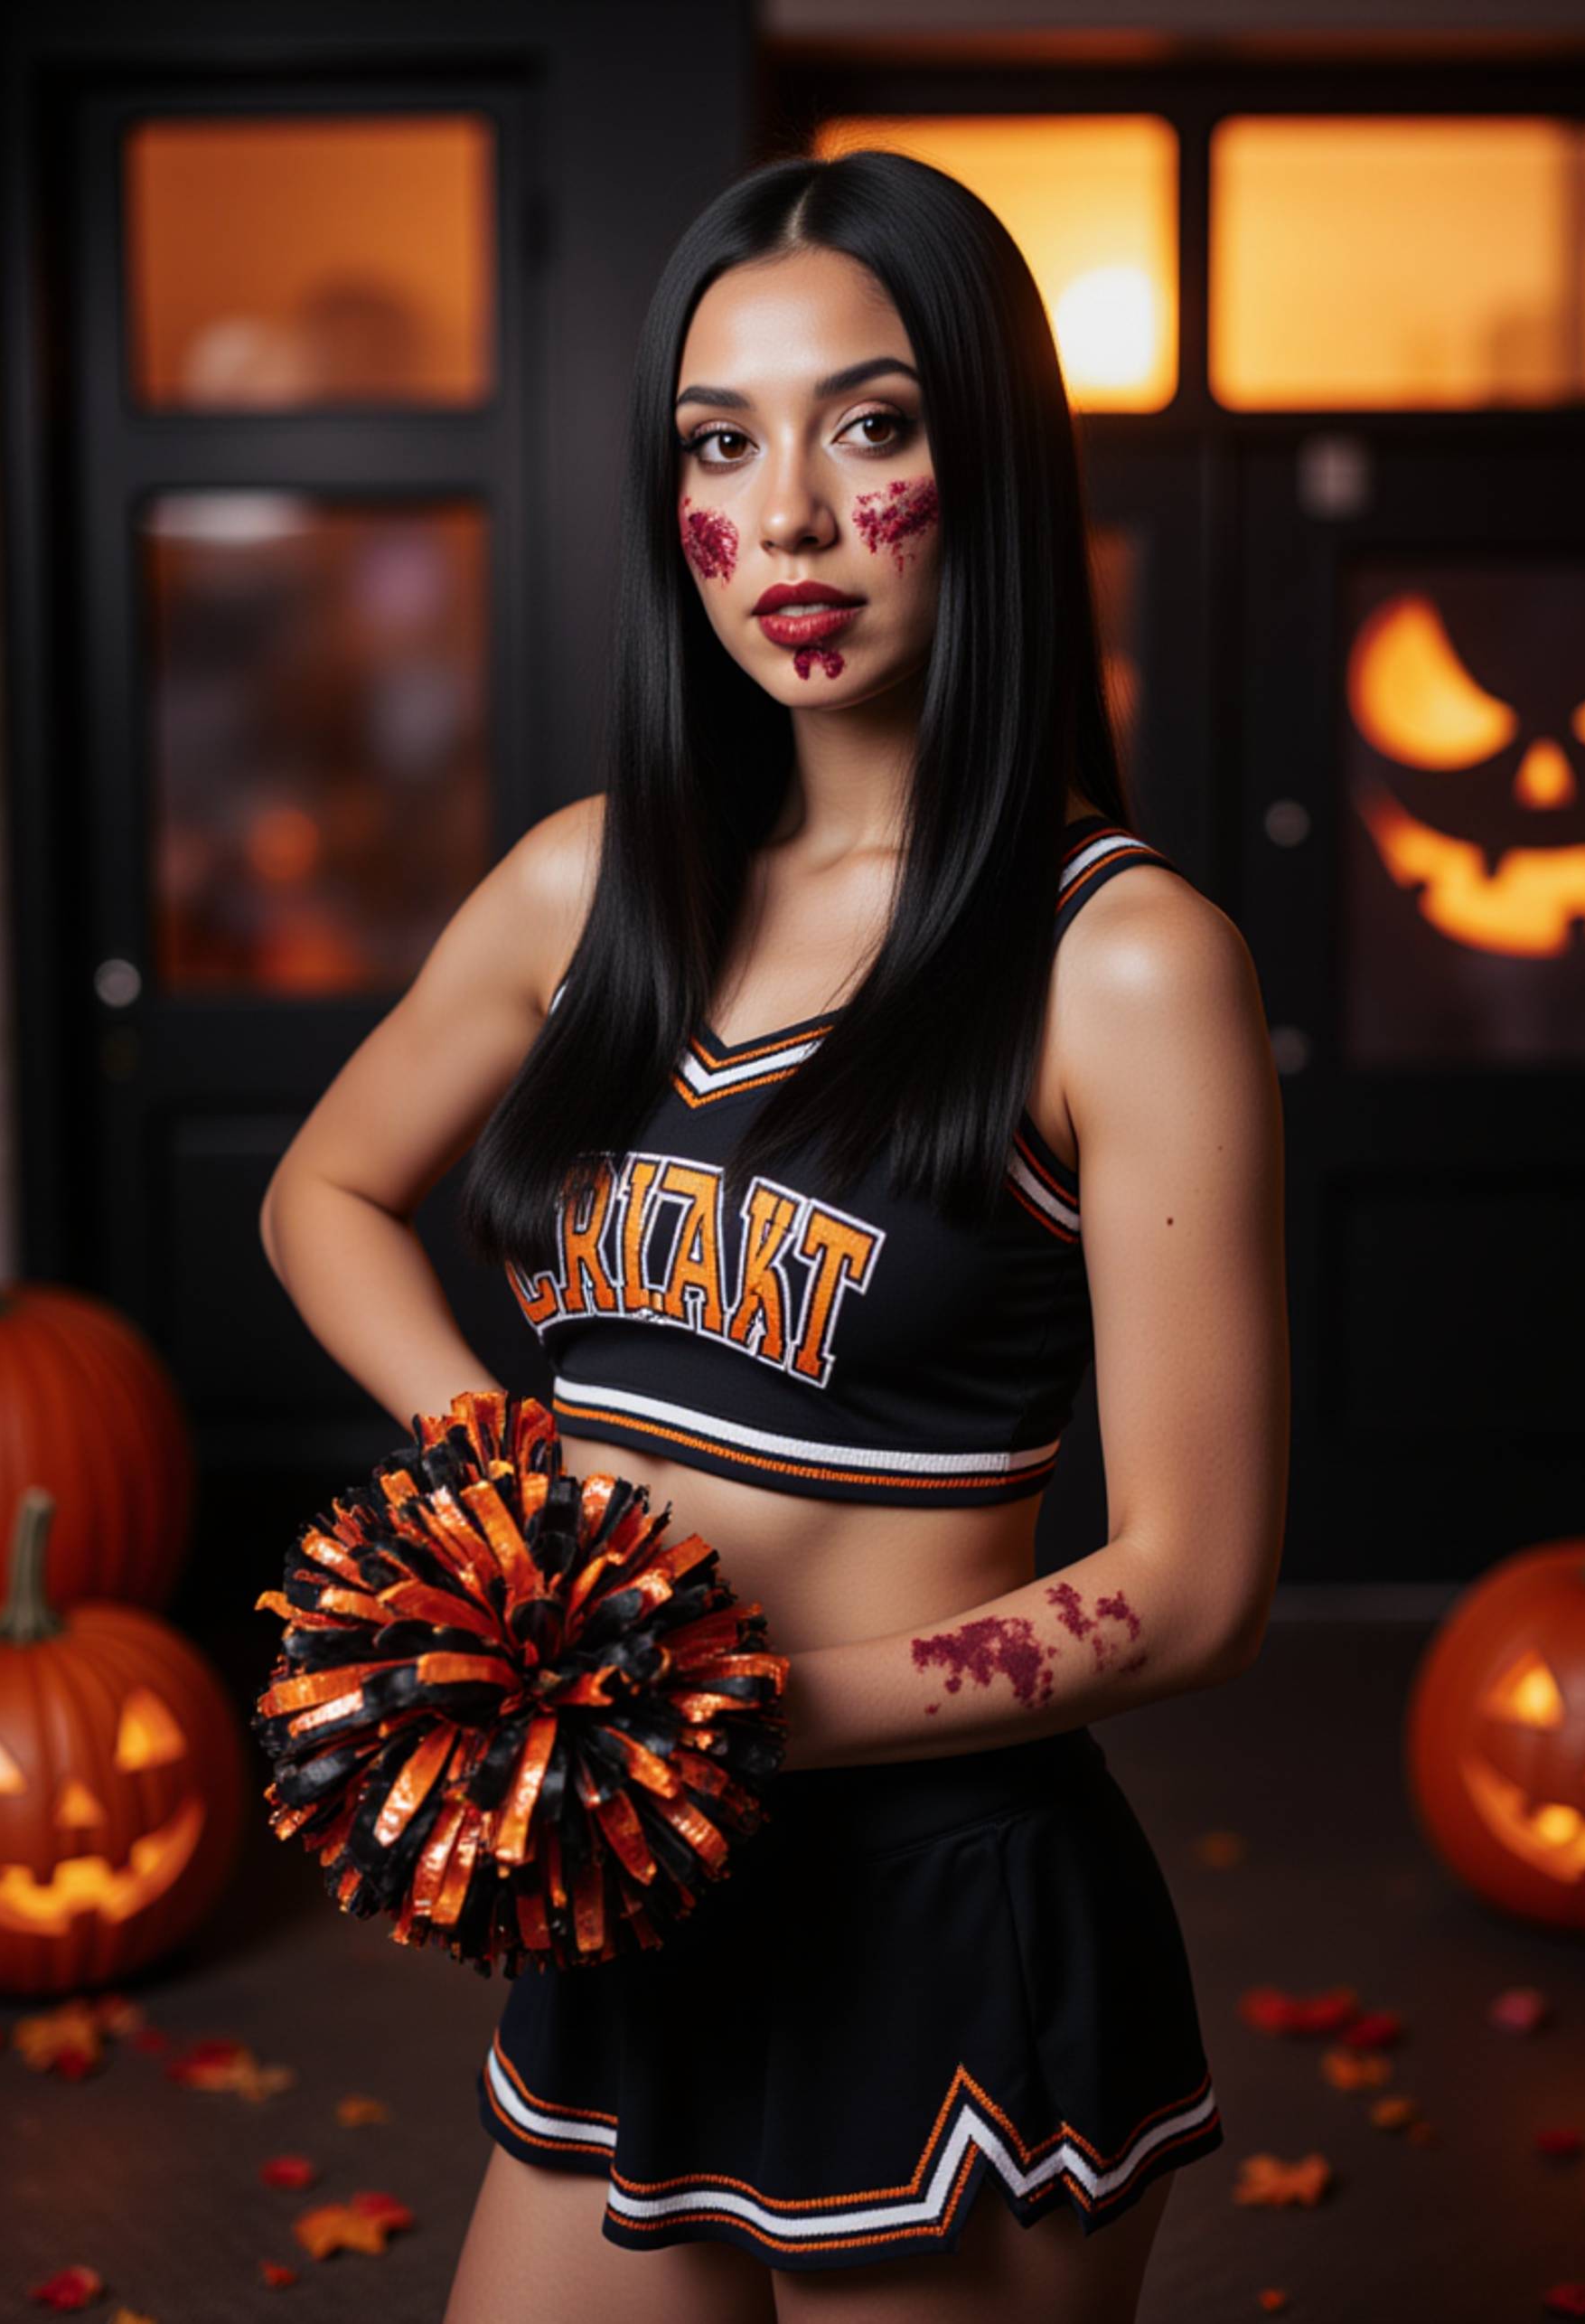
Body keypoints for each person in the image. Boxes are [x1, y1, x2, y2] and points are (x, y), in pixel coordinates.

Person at [259, 146, 1288, 2324]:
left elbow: (1194, 1582)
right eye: (720, 444)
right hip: (630, 1906)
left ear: (985, 461)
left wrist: (717, 1715)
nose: (791, 519)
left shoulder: (1119, 962)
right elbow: (321, 1192)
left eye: (873, 425)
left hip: (933, 1920)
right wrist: (505, 1502)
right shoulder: (585, 887)